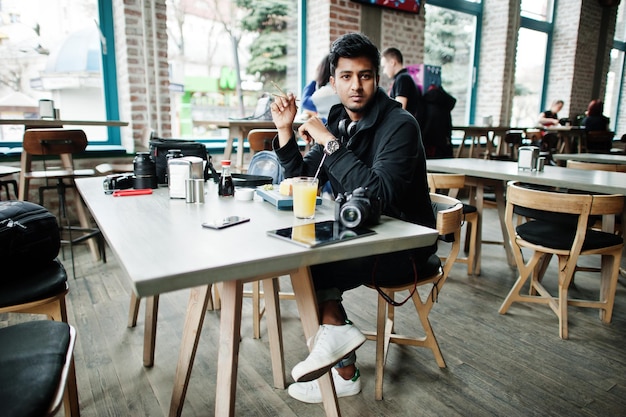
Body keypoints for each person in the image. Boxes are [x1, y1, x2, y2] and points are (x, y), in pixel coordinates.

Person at [270, 32, 437, 404]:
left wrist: (329, 141)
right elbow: (305, 180)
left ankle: (344, 370)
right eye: (346, 76)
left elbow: (378, 194)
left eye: (364, 76)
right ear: (333, 81)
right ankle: (344, 360)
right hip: (361, 231)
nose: (356, 86)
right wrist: (285, 130)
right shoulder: (336, 118)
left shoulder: (401, 125)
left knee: (311, 268)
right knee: (301, 261)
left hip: (405, 246)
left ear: (378, 79)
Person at [381, 47, 424, 125]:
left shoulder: (403, 78)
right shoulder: (404, 77)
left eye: (384, 66)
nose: (384, 71)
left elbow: (399, 109)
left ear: (392, 62)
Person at [298, 55, 340, 123]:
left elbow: (305, 102)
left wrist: (314, 79)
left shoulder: (325, 92)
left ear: (322, 70)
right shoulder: (344, 90)